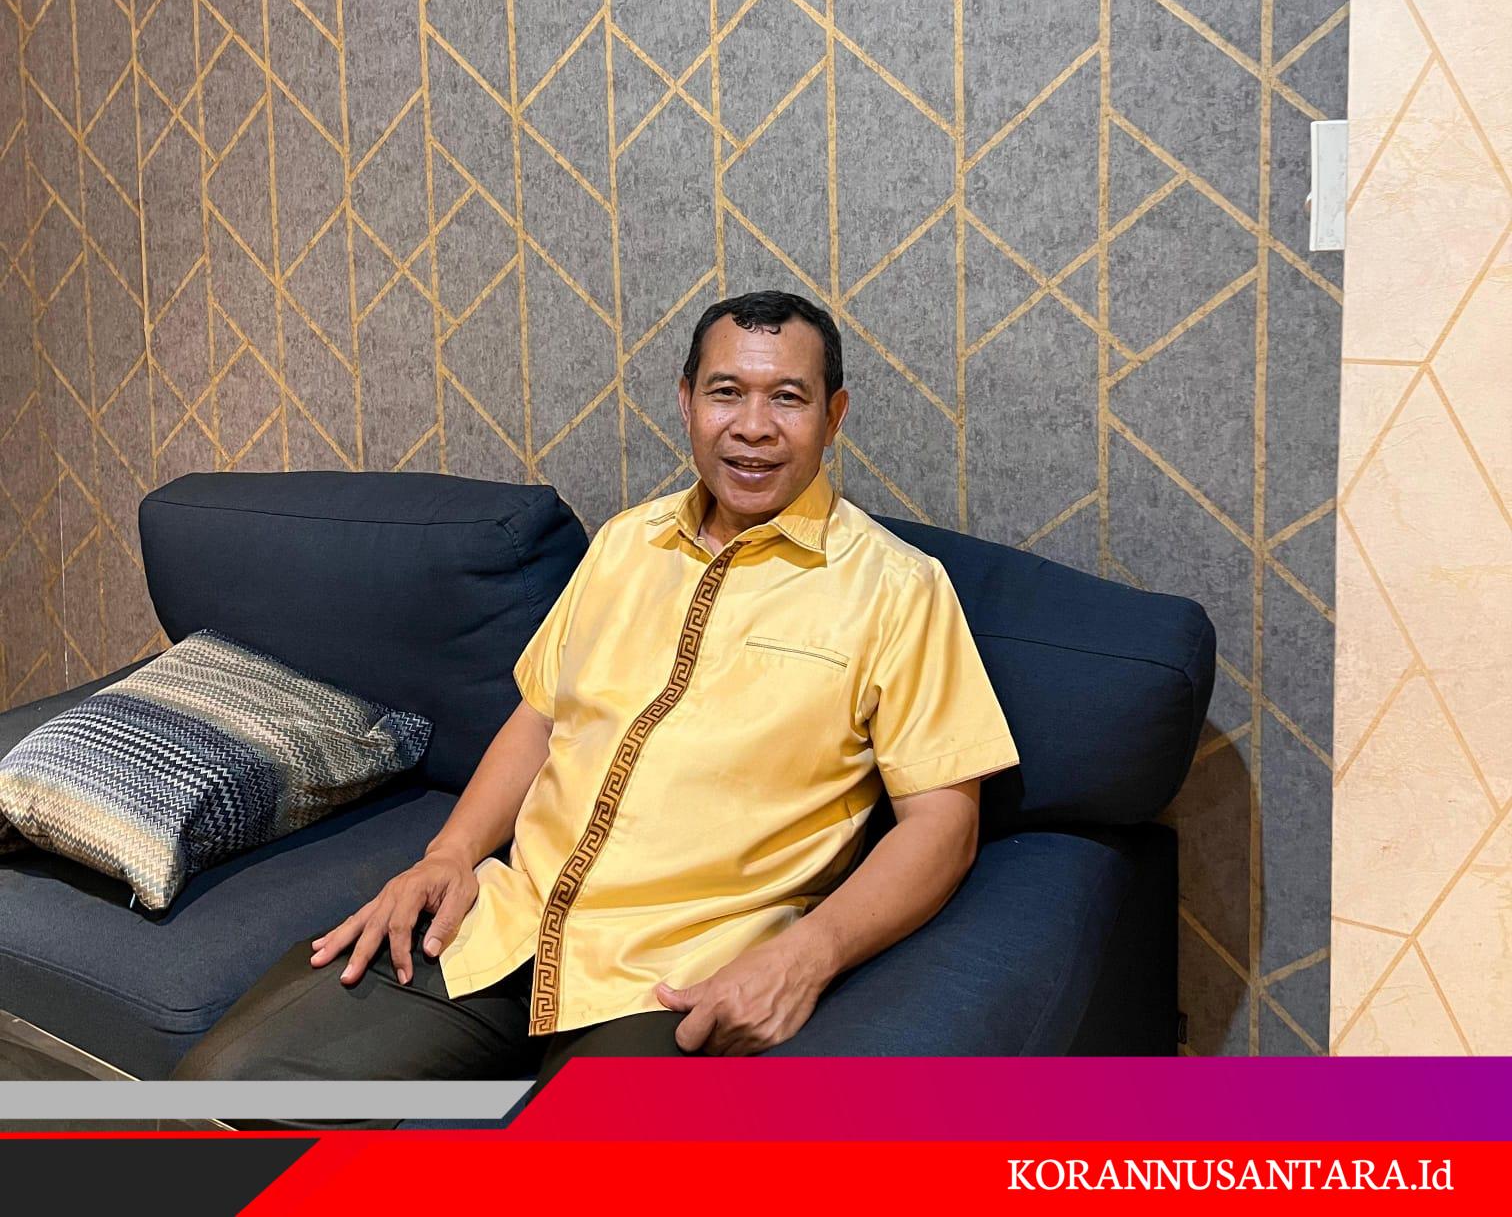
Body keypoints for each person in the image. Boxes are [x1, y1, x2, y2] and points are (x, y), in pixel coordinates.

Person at [171, 290, 1019, 1094]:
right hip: (506, 924)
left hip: (677, 974)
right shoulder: (624, 545)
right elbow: (541, 719)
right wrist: (448, 855)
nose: (753, 427)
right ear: (686, 402)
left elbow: (942, 824)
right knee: (225, 1089)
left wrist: (808, 956)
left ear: (833, 417)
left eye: (788, 398)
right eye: (726, 392)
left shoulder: (898, 589)